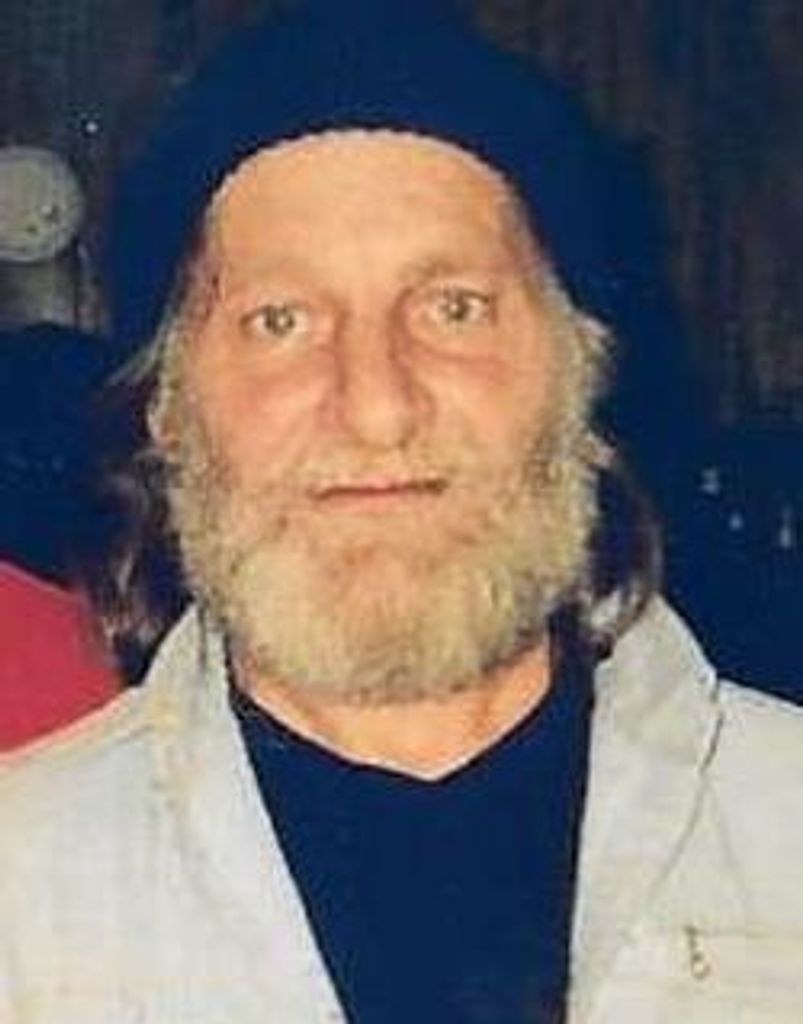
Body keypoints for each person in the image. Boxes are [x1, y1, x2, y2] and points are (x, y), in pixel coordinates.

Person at [2, 2, 802, 1022]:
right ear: (168, 406)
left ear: (579, 368)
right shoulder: (23, 901)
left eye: (452, 307)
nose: (376, 407)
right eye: (280, 320)